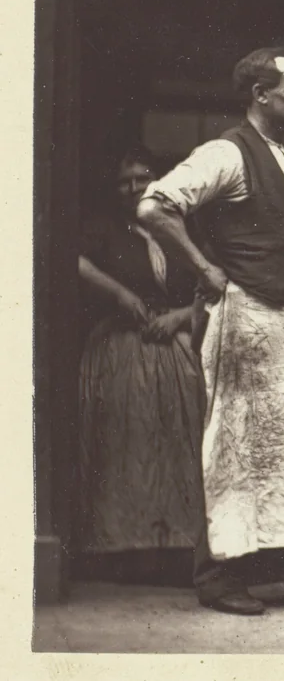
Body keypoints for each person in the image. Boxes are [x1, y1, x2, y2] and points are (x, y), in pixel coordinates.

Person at [137, 47, 284, 616]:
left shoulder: (279, 153)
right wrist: (205, 270)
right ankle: (219, 580)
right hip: (244, 318)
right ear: (260, 95)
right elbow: (155, 207)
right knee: (238, 445)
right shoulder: (225, 152)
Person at [77, 145, 205, 584]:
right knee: (127, 447)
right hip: (121, 351)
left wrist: (180, 316)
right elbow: (71, 261)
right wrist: (117, 293)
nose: (133, 188)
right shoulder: (105, 230)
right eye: (123, 181)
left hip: (176, 351)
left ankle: (176, 551)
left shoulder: (181, 231)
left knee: (177, 448)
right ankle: (127, 552)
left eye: (142, 178)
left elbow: (218, 284)